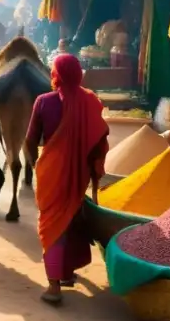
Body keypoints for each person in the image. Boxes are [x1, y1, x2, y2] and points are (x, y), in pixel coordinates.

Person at [26, 54, 109, 305]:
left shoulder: (43, 102)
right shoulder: (91, 102)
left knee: (51, 225)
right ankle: (67, 273)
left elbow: (30, 140)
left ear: (56, 75)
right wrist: (93, 167)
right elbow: (99, 138)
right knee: (70, 217)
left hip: (51, 172)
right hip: (79, 172)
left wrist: (35, 165)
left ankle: (54, 287)